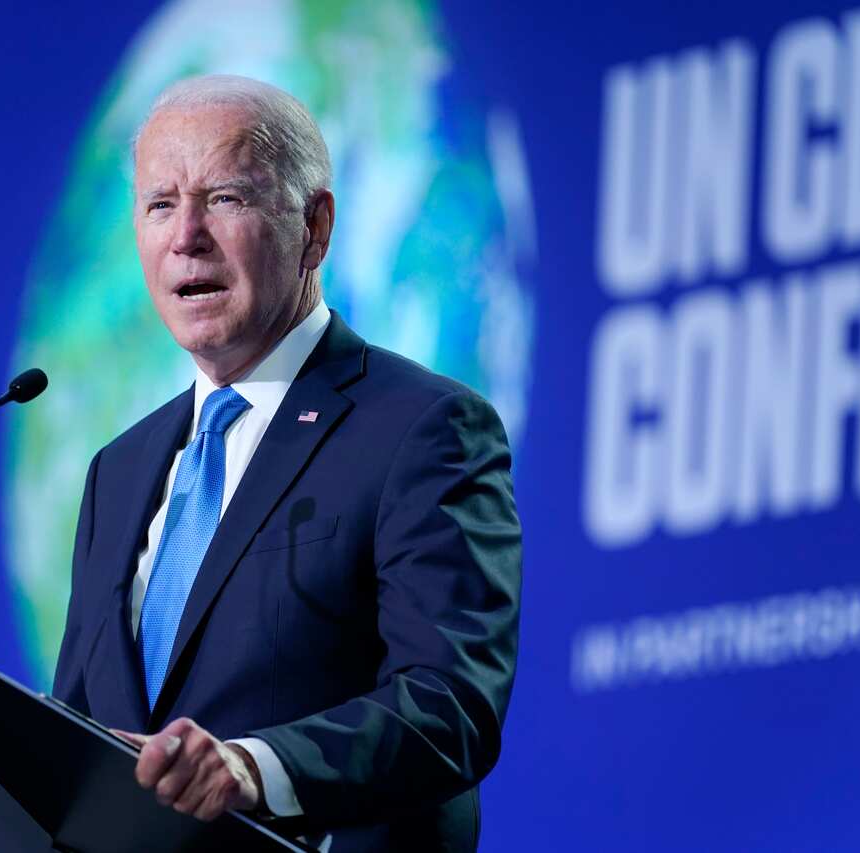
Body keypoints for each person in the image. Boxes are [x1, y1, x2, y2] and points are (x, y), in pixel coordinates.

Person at [52, 74, 521, 851]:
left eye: (226, 198)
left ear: (315, 226)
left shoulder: (424, 427)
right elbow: (72, 736)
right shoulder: (118, 471)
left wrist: (252, 767)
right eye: (160, 204)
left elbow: (452, 703)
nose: (186, 235)